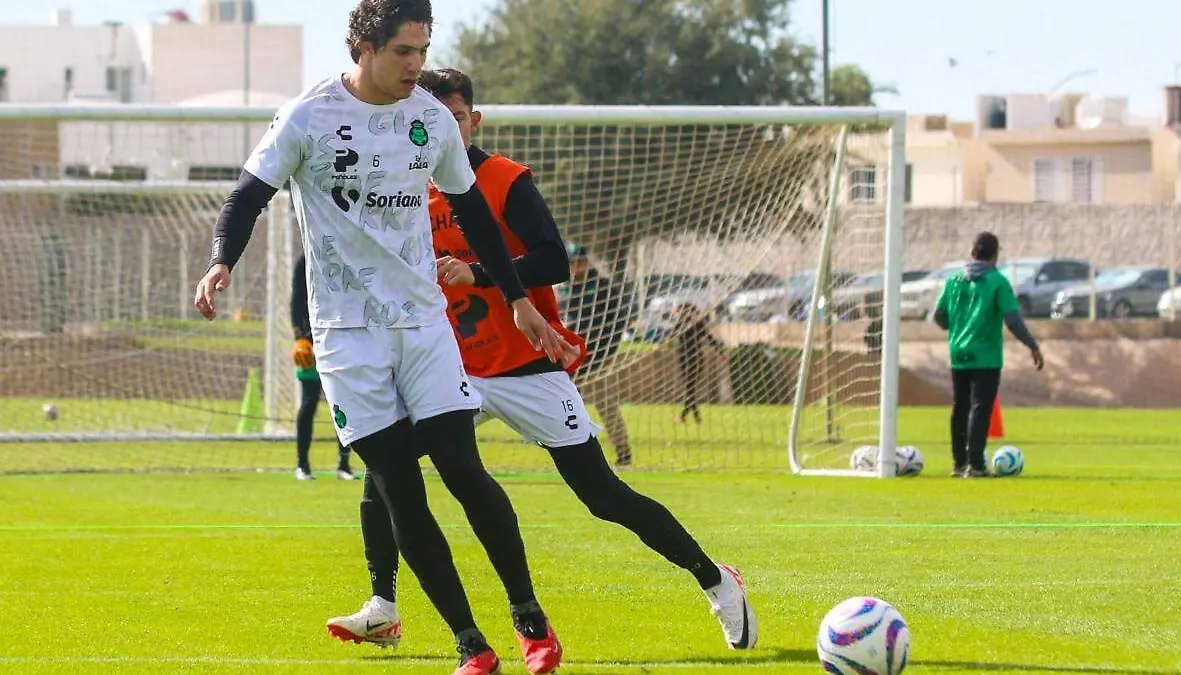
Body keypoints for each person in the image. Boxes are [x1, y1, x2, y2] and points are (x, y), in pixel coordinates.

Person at [191, 2, 573, 674]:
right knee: (399, 486)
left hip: (422, 324)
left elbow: (473, 212)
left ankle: (529, 618)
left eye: (423, 50)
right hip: (347, 337)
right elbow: (246, 197)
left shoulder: (430, 119)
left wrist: (517, 299)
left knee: (463, 468)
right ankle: (471, 644)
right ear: (363, 48)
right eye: (403, 51)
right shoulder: (308, 116)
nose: (417, 66)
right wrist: (222, 260)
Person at [326, 67, 758, 657]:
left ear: (474, 121)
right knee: (386, 470)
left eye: (454, 118)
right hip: (448, 367)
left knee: (601, 494)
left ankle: (715, 579)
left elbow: (553, 259)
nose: (441, 130)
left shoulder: (503, 180)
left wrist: (479, 274)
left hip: (525, 365)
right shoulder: (403, 188)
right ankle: (383, 606)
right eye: (428, 119)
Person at [933, 232, 1044, 478]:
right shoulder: (997, 281)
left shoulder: (954, 280)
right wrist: (1032, 346)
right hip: (986, 356)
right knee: (980, 408)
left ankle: (958, 463)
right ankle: (975, 465)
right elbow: (1013, 320)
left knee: (960, 407)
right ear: (995, 255)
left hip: (958, 353)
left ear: (972, 252)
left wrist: (959, 326)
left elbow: (939, 317)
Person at [560, 243, 633, 465]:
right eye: (573, 263)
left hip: (597, 357)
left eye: (580, 262)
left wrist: (605, 352)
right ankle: (575, 451)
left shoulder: (603, 287)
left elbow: (618, 322)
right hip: (570, 358)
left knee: (606, 403)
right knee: (567, 405)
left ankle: (623, 451)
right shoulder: (566, 287)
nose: (577, 267)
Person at [291, 253, 356, 481]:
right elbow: (296, 301)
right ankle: (302, 465)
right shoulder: (305, 260)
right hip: (311, 344)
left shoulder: (344, 256)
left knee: (343, 404)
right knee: (309, 403)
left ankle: (344, 464)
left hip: (341, 342)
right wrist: (299, 338)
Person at [669, 302, 726, 424]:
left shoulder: (682, 324)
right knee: (690, 389)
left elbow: (671, 336)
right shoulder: (698, 324)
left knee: (690, 389)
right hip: (697, 359)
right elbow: (711, 339)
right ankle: (690, 417)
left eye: (679, 311)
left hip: (687, 359)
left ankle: (689, 417)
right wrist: (721, 353)